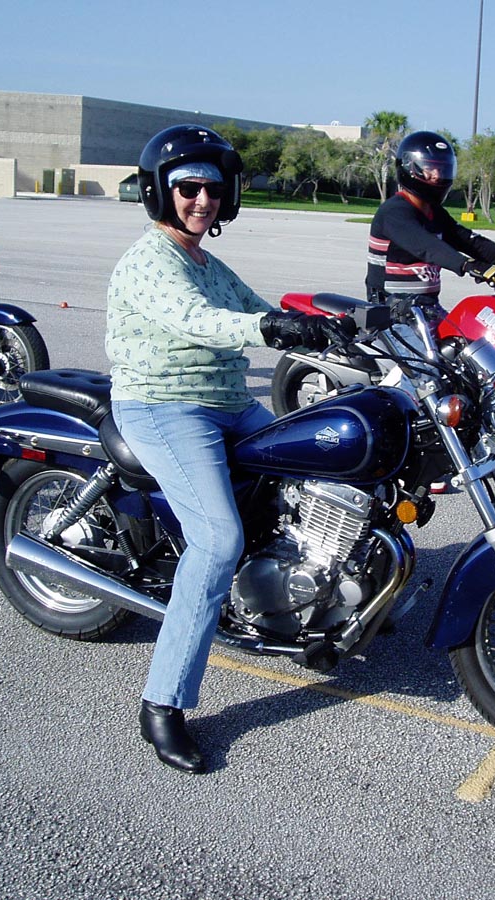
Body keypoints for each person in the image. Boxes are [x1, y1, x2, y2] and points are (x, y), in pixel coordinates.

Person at [106, 125, 354, 774]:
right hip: (164, 404)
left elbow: (258, 308)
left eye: (214, 189)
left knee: (317, 467)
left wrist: (337, 333)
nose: (203, 200)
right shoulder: (150, 261)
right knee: (218, 540)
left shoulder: (208, 265)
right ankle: (163, 702)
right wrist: (269, 325)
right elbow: (201, 321)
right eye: (189, 187)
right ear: (160, 191)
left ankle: (316, 602)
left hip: (226, 403)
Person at [366, 131, 495, 329]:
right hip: (390, 314)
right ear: (409, 167)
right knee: (425, 353)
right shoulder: (394, 212)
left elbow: (469, 241)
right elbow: (427, 247)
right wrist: (469, 265)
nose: (437, 176)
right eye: (430, 168)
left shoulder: (434, 212)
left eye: (442, 169)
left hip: (426, 308)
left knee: (477, 340)